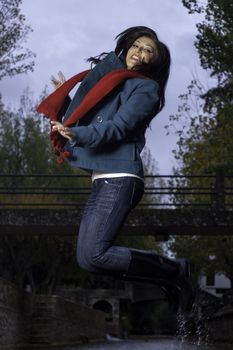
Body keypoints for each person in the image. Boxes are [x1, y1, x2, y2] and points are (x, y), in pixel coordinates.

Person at [39, 26, 195, 313]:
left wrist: (78, 135)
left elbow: (117, 128)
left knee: (95, 255)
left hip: (121, 178)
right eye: (138, 45)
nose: (141, 52)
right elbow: (87, 120)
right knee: (88, 259)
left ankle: (174, 270)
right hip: (105, 180)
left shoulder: (146, 89)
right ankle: (167, 278)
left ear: (155, 62)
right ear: (127, 47)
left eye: (149, 51)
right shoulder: (114, 84)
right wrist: (67, 104)